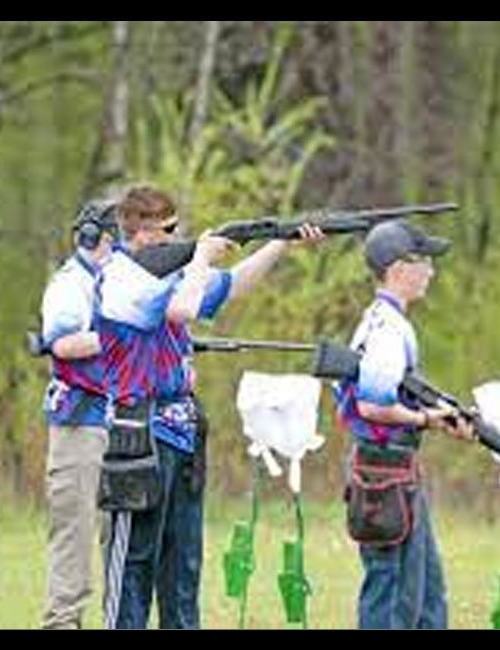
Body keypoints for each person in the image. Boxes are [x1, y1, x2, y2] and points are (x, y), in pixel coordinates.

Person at [97, 184, 323, 629]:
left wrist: (280, 241)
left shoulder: (170, 274)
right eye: (169, 229)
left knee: (183, 569)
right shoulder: (121, 278)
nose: (178, 235)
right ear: (140, 233)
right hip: (139, 437)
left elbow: (233, 285)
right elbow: (183, 309)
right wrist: (199, 257)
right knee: (133, 571)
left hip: (181, 436)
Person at [332, 219, 474, 629]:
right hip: (386, 472)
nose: (431, 271)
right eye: (424, 262)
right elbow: (375, 406)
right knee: (393, 594)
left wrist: (440, 415)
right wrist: (428, 419)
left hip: (393, 469)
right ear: (398, 269)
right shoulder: (389, 330)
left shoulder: (380, 320)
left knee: (426, 593)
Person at [38, 201, 120, 629]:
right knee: (74, 533)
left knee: (117, 534)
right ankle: (62, 623)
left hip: (114, 419)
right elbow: (64, 345)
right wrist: (121, 334)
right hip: (78, 422)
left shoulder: (111, 281)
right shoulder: (71, 284)